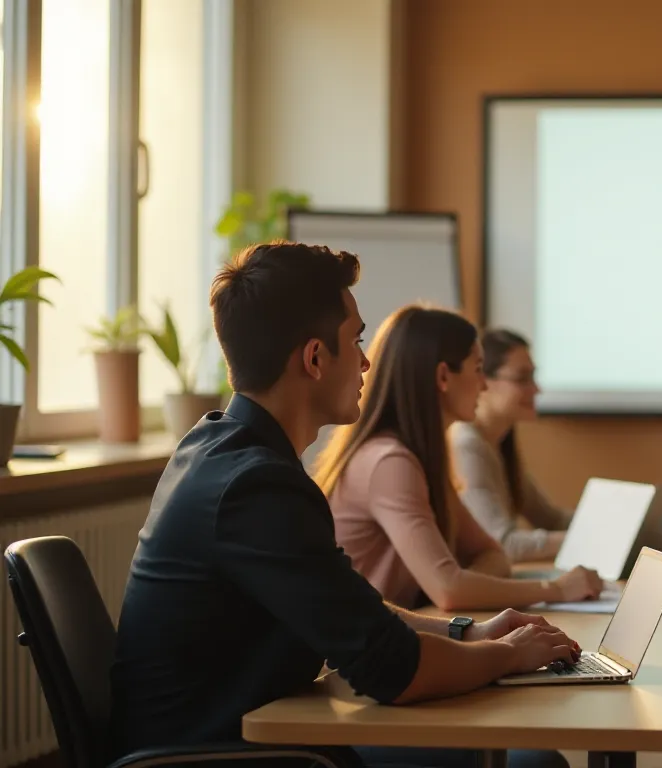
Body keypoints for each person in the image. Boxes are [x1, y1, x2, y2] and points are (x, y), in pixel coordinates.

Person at [110, 242, 575, 768]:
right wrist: (510, 654)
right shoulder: (255, 486)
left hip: (243, 740)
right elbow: (394, 670)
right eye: (355, 339)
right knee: (531, 762)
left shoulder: (217, 448)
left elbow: (355, 610)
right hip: (228, 758)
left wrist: (469, 632)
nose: (367, 359)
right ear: (314, 359)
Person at [314, 307, 602, 611]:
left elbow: (494, 556)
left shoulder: (422, 459)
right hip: (364, 654)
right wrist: (556, 589)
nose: (483, 384)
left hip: (404, 636)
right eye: (478, 369)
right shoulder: (390, 462)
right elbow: (449, 590)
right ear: (443, 377)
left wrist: (465, 585)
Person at [450, 329, 573, 562]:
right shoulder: (466, 445)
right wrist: (590, 540)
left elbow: (551, 519)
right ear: (482, 381)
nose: (536, 389)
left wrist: (616, 527)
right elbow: (503, 543)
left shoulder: (498, 443)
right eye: (522, 378)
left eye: (533, 377)